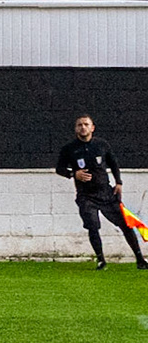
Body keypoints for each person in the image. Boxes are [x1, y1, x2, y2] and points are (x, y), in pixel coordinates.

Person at [56, 114, 146, 270]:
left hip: (106, 192)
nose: (83, 127)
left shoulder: (101, 145)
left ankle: (140, 259)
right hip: (85, 195)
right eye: (79, 125)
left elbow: (113, 162)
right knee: (93, 226)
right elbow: (59, 169)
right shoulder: (69, 149)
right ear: (76, 129)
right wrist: (73, 174)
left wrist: (118, 182)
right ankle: (101, 260)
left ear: (92, 127)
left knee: (126, 224)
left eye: (86, 124)